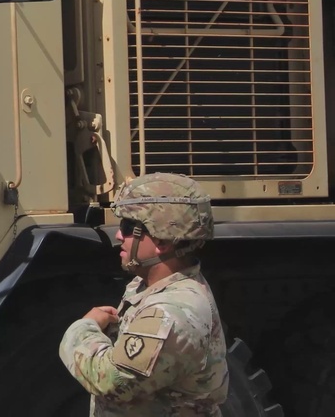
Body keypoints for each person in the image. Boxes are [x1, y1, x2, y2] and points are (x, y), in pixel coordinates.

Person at [58, 173, 229, 416]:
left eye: (129, 227)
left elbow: (110, 381)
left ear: (162, 240)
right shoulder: (151, 284)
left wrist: (84, 328)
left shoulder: (171, 313)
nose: (119, 235)